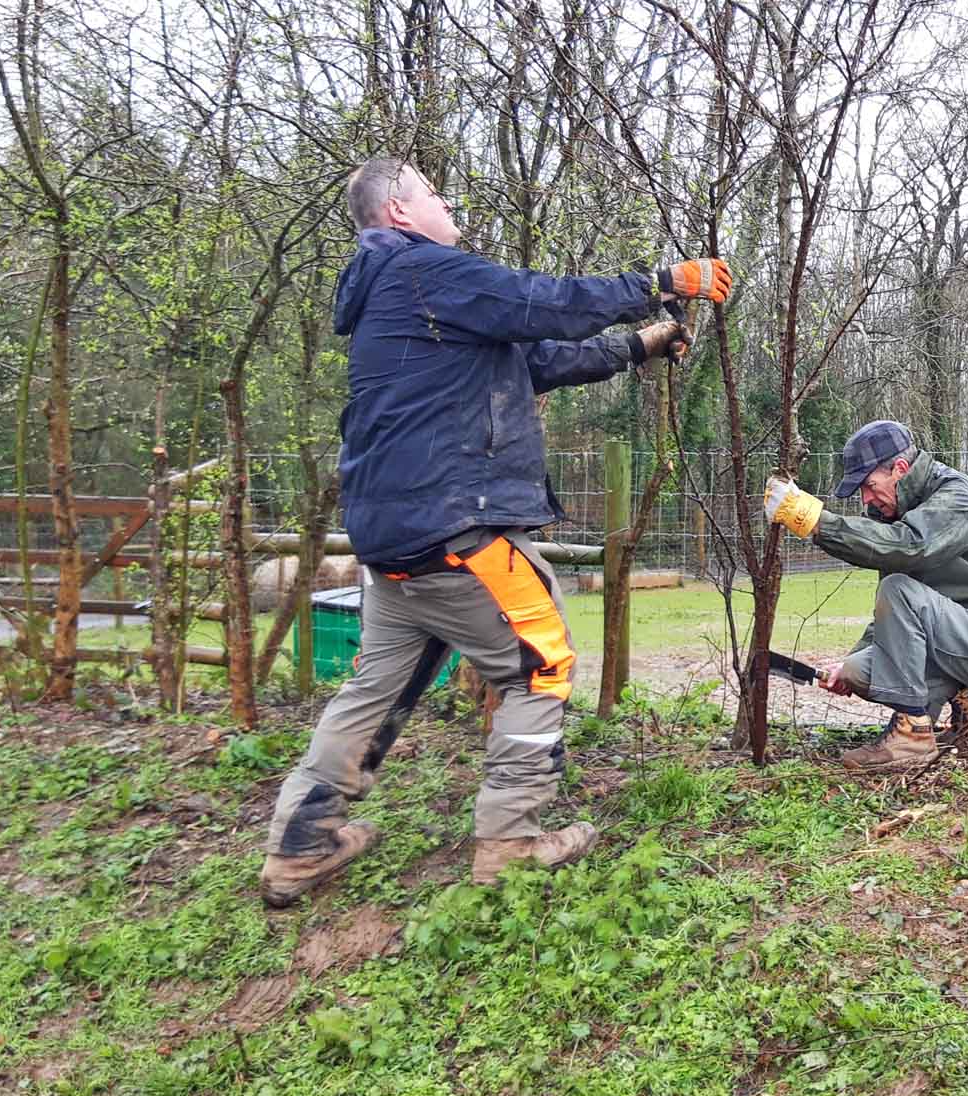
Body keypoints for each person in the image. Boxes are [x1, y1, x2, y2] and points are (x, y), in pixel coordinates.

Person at [260, 157, 733, 907]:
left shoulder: (400, 302)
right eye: (436, 197)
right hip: (457, 526)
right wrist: (661, 281)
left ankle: (301, 843)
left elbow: (534, 360)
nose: (452, 210)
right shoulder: (424, 271)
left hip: (392, 538)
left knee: (375, 686)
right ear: (400, 213)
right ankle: (511, 837)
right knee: (543, 663)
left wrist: (639, 344)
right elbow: (542, 304)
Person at [762, 420, 968, 769]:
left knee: (897, 587)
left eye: (869, 486)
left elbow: (909, 548)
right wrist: (850, 660)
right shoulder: (894, 511)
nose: (866, 498)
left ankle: (913, 737)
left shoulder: (956, 496)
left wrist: (814, 520)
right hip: (951, 643)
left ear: (900, 469)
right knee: (859, 671)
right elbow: (895, 614)